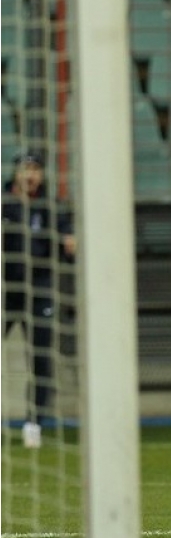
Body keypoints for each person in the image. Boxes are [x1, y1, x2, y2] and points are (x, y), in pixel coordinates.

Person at [2, 150, 75, 449]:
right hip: (6, 290)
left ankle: (34, 424)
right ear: (16, 172)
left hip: (40, 290)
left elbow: (68, 241)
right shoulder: (4, 202)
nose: (30, 175)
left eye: (35, 169)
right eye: (26, 169)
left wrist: (70, 244)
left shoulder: (51, 207)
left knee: (41, 358)